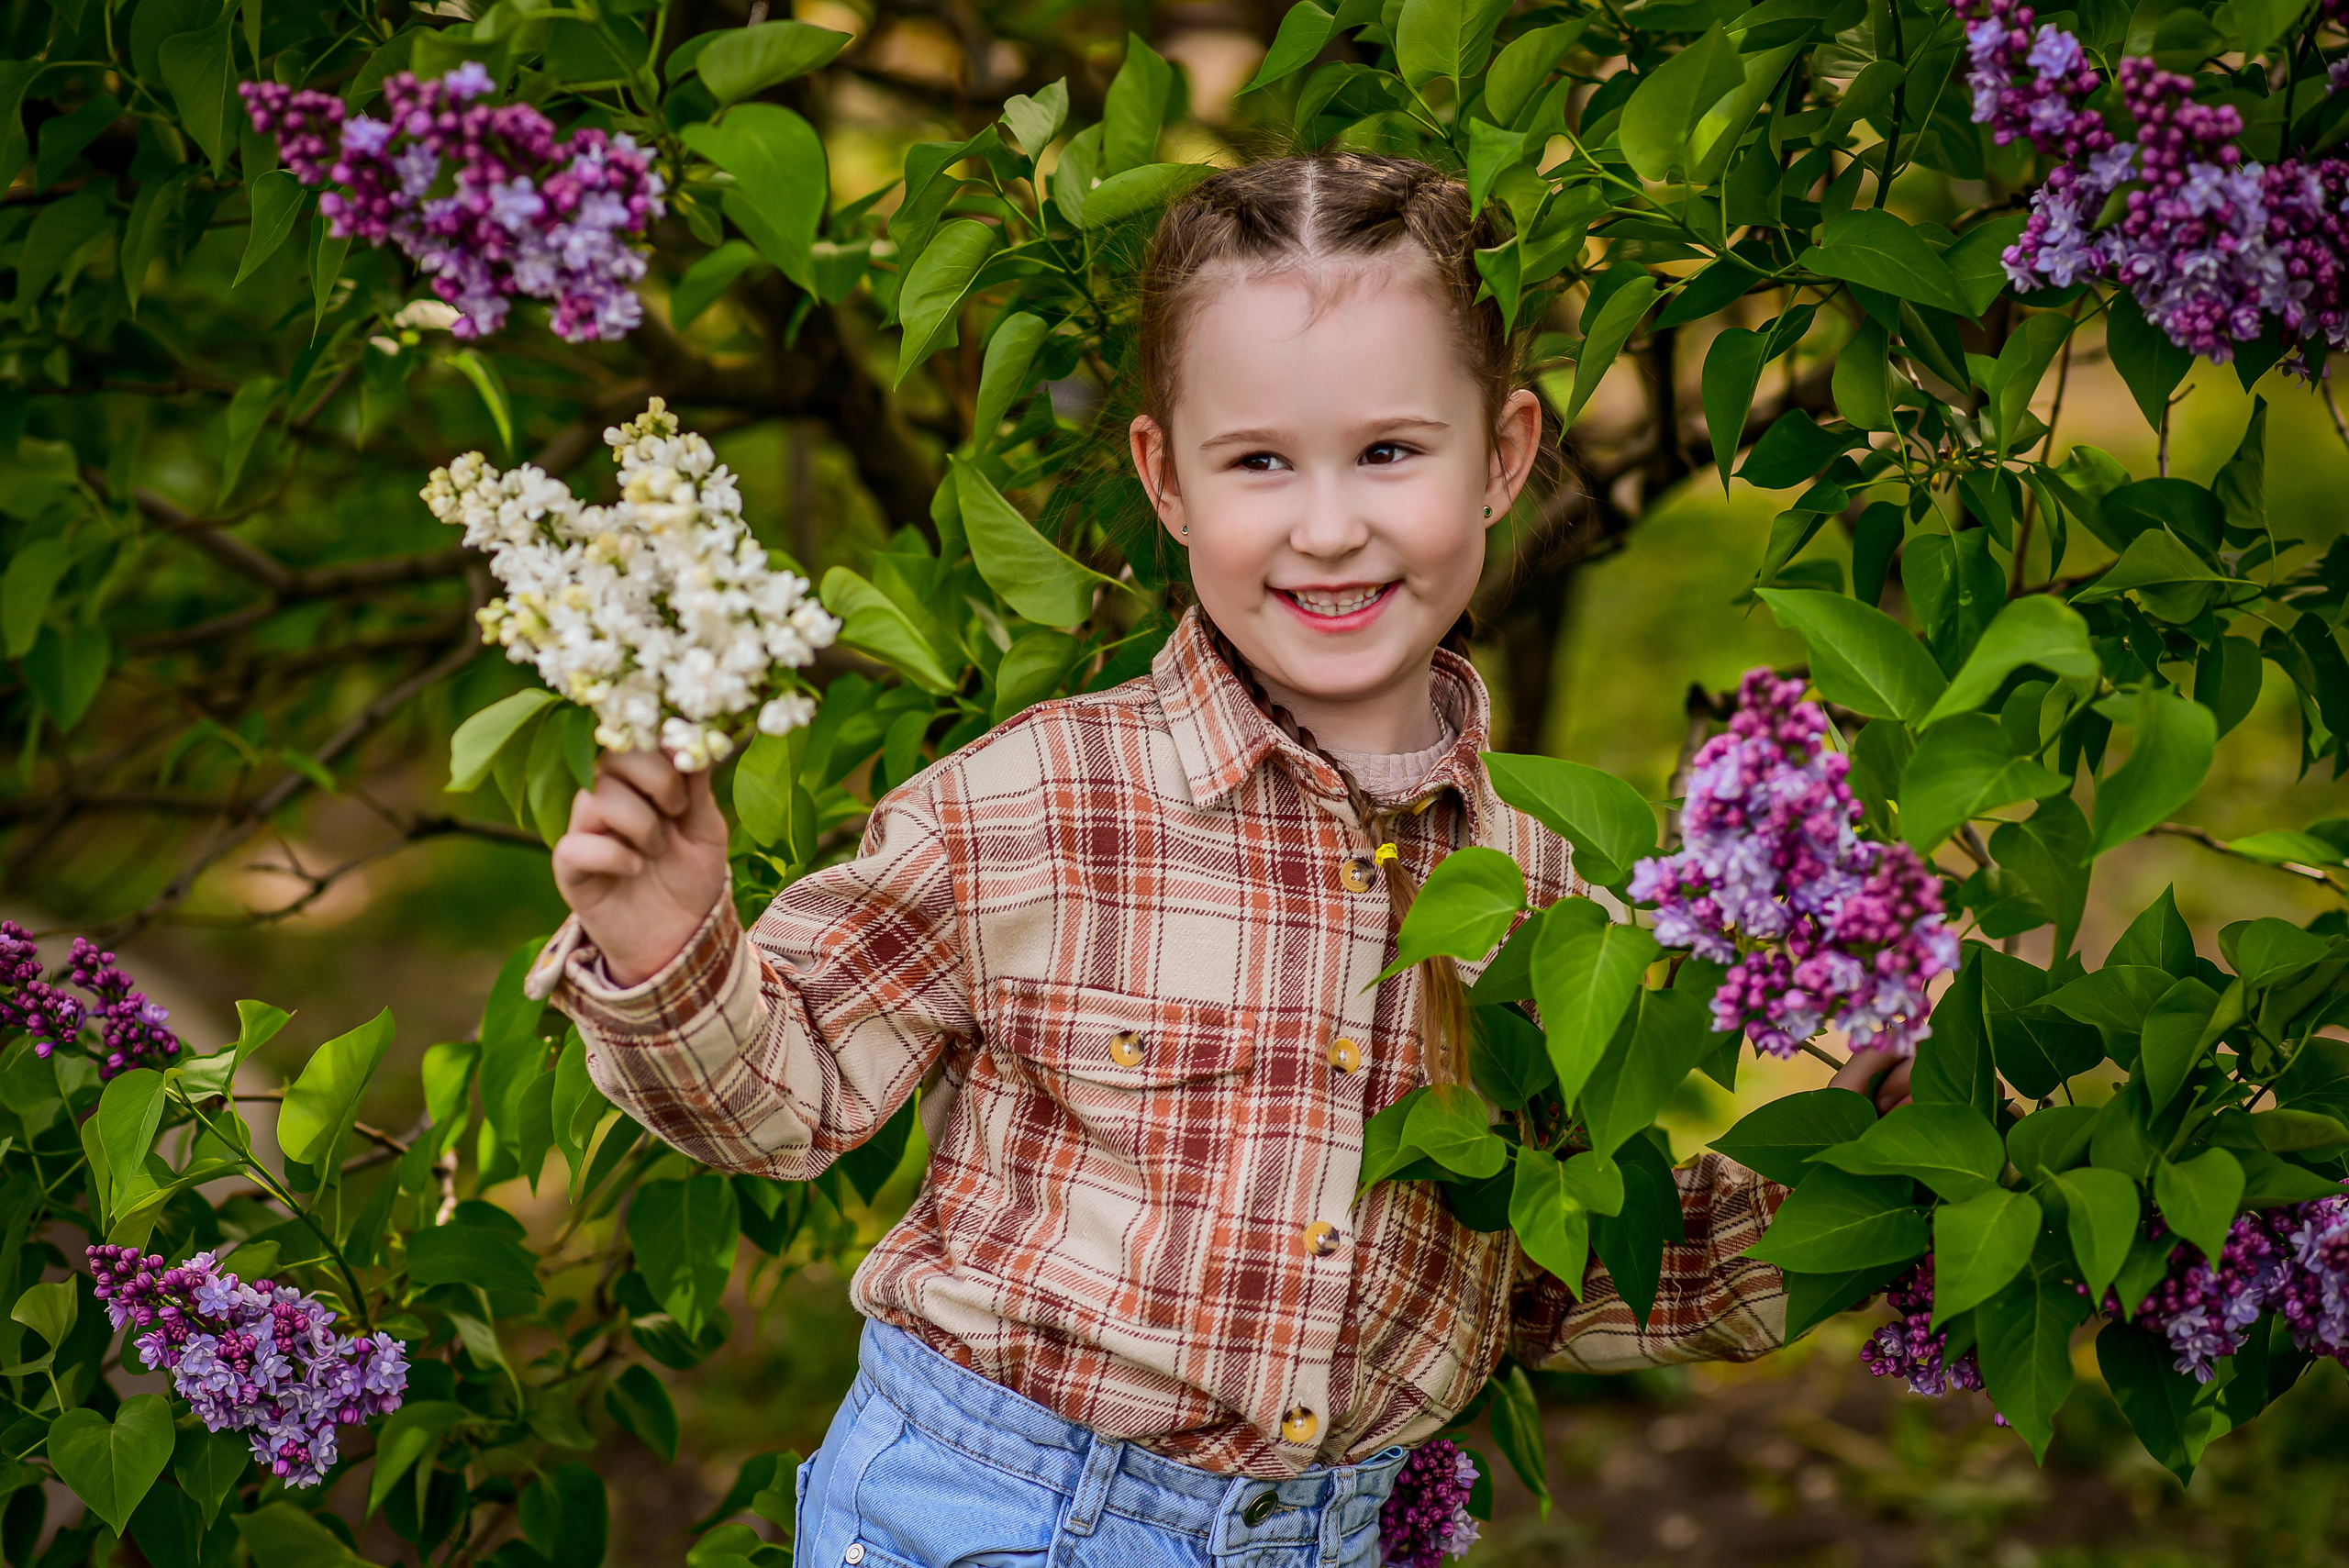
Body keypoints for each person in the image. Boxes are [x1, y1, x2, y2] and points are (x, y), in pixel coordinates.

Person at [529, 152, 1910, 1567]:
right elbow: (786, 1097)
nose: (1327, 526)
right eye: (1258, 460)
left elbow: (1550, 1264)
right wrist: (669, 945)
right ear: (1165, 477)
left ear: (1502, 458)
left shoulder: (1542, 887)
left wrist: (1868, 1189)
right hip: (995, 1511)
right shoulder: (1039, 804)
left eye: (1389, 450)